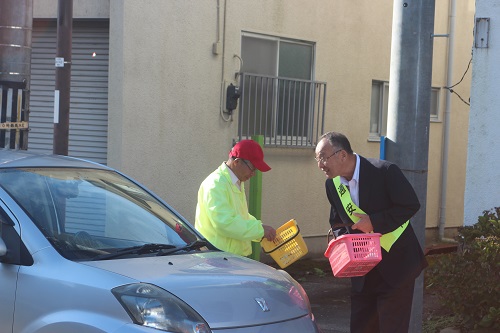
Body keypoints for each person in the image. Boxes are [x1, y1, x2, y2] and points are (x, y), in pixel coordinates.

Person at [315, 131, 428, 333]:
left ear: (342, 155)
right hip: (362, 271)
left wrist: (374, 223)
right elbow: (337, 222)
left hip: (396, 268)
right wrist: (341, 243)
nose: (320, 165)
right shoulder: (332, 185)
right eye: (317, 159)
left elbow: (410, 205)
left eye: (323, 158)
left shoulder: (384, 171)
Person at [195, 139, 276, 257]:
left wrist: (261, 231)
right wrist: (260, 230)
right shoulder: (215, 184)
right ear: (237, 162)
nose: (253, 174)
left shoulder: (235, 181)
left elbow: (241, 216)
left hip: (228, 258)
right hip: (215, 259)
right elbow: (224, 223)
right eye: (252, 168)